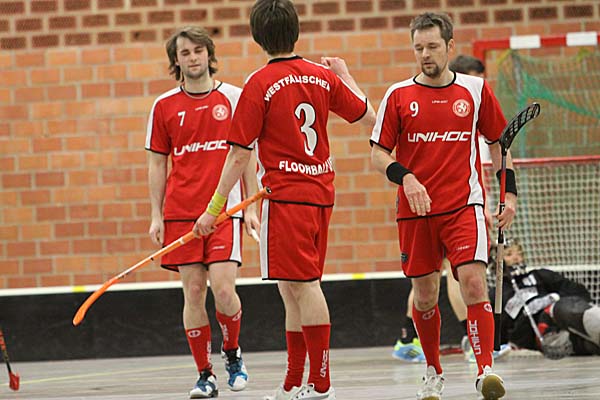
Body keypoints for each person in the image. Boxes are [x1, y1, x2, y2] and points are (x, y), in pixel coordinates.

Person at [194, 1, 376, 399]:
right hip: (320, 193)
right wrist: (345, 76)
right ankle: (294, 382)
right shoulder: (321, 76)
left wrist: (213, 209)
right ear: (296, 30)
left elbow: (239, 154)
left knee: (304, 287)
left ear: (258, 37)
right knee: (290, 288)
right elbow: (369, 117)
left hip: (288, 197)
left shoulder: (259, 83)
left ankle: (321, 384)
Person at [370, 12, 517, 400]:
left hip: (463, 206)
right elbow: (378, 154)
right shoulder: (398, 95)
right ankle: (433, 371)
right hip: (415, 212)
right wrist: (406, 177)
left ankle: (485, 370)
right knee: (424, 295)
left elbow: (499, 144)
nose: (425, 54)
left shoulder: (475, 90)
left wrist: (510, 193)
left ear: (450, 46)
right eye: (418, 47)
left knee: (473, 282)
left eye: (432, 46)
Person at [145, 26, 259, 399]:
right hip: (181, 213)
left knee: (224, 290)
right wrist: (157, 215)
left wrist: (252, 204)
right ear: (175, 61)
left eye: (198, 51)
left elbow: (245, 155)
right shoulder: (163, 106)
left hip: (225, 210)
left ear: (209, 55)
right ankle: (204, 374)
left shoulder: (235, 98)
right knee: (193, 291)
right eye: (185, 53)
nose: (192, 58)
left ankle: (233, 353)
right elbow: (157, 164)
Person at [492, 238, 600, 358]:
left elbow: (580, 292)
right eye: (509, 255)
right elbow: (496, 334)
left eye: (519, 253)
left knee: (563, 308)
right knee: (587, 346)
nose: (517, 258)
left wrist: (554, 299)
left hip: (558, 315)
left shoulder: (540, 275)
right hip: (544, 338)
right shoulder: (496, 295)